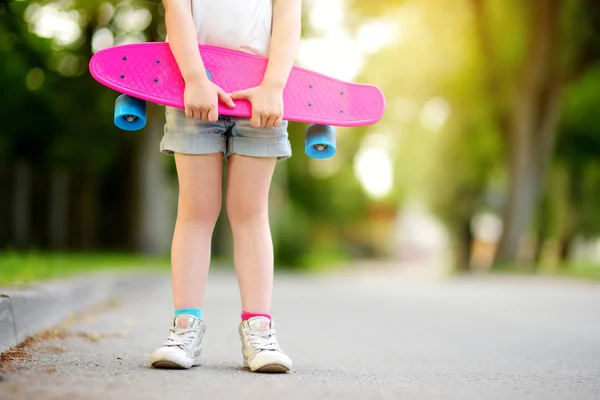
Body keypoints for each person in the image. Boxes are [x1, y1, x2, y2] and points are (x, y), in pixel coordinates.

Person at [149, 0, 301, 373]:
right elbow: (177, 11)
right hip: (193, 88)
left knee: (250, 213)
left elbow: (288, 17)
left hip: (262, 93)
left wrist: (274, 86)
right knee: (196, 211)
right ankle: (184, 329)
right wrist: (196, 79)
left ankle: (259, 330)